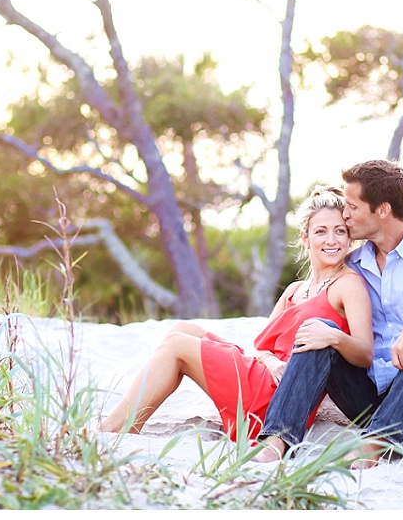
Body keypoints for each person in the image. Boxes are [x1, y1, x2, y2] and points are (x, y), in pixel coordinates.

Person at [254, 160, 403, 467]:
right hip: (367, 393)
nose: (345, 213)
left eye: (352, 206)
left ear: (382, 210)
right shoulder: (354, 262)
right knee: (321, 328)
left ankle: (378, 443)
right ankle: (278, 439)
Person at [98, 186, 374, 442]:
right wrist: (271, 362)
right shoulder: (294, 290)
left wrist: (334, 337)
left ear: (350, 238)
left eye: (340, 231)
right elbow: (259, 348)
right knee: (182, 330)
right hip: (267, 374)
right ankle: (127, 421)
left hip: (282, 397)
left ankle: (112, 430)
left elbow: (364, 354)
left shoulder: (348, 284)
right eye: (321, 231)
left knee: (176, 346)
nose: (331, 240)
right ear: (305, 238)